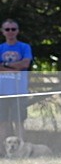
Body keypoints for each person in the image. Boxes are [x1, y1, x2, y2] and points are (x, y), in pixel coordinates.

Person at [0, 19, 33, 152]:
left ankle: (21, 150)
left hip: (19, 91)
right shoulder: (1, 48)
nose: (10, 32)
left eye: (13, 29)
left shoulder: (24, 47)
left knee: (18, 122)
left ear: (17, 31)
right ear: (3, 32)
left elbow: (25, 64)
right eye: (7, 29)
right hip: (2, 92)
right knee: (2, 123)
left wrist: (5, 66)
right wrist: (14, 67)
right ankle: (2, 152)